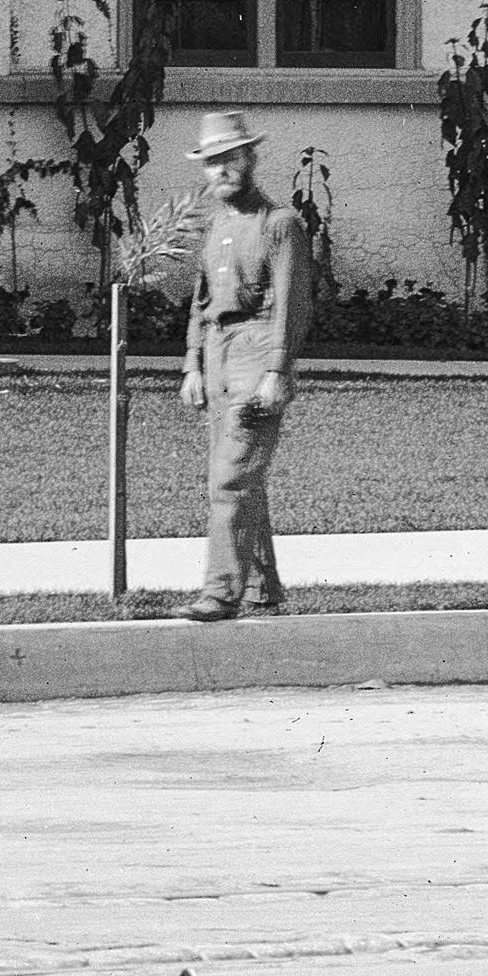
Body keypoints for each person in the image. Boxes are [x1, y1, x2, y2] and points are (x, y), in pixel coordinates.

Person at [176, 110, 307, 620]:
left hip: (257, 352)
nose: (221, 170)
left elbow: (292, 302)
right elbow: (200, 300)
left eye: (230, 158)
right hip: (216, 354)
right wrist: (191, 364)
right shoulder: (217, 226)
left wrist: (277, 370)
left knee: (231, 477)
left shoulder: (280, 224)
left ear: (250, 158)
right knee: (236, 476)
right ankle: (261, 588)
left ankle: (220, 593)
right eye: (211, 162)